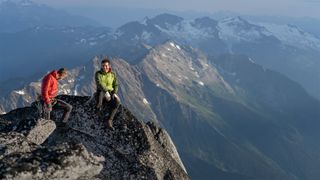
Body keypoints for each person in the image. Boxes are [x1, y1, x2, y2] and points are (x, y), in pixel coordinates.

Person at [95, 58, 120, 130]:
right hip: (101, 92)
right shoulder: (98, 74)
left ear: (109, 66)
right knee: (100, 101)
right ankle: (98, 114)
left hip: (111, 92)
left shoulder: (112, 74)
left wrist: (114, 92)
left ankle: (109, 120)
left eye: (106, 66)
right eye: (103, 66)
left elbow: (116, 84)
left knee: (117, 102)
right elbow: (99, 83)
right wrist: (105, 91)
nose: (104, 67)